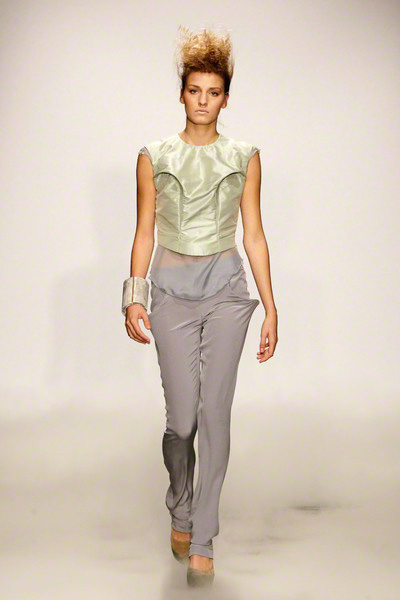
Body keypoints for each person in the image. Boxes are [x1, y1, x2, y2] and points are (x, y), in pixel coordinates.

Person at [122, 25, 278, 587]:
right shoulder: (153, 157)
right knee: (182, 422)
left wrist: (270, 306)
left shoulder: (245, 157)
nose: (204, 101)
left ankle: (204, 537)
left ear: (225, 98)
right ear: (182, 94)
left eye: (213, 92)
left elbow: (253, 233)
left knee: (215, 416)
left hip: (227, 292)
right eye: (195, 91)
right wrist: (134, 296)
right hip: (169, 290)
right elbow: (144, 230)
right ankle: (180, 502)